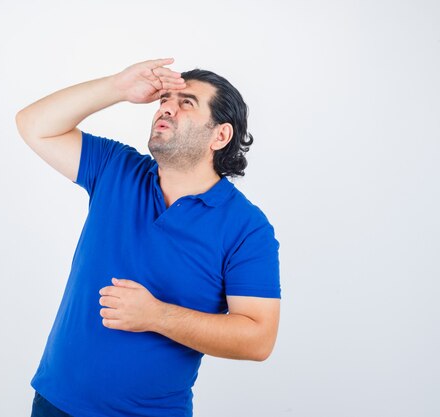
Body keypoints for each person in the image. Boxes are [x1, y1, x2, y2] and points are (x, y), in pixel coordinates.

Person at [15, 57, 281, 417]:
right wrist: (117, 88)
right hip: (54, 403)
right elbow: (34, 125)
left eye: (186, 102)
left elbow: (258, 338)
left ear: (221, 135)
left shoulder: (247, 229)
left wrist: (156, 316)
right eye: (164, 101)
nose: (167, 108)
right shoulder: (116, 168)